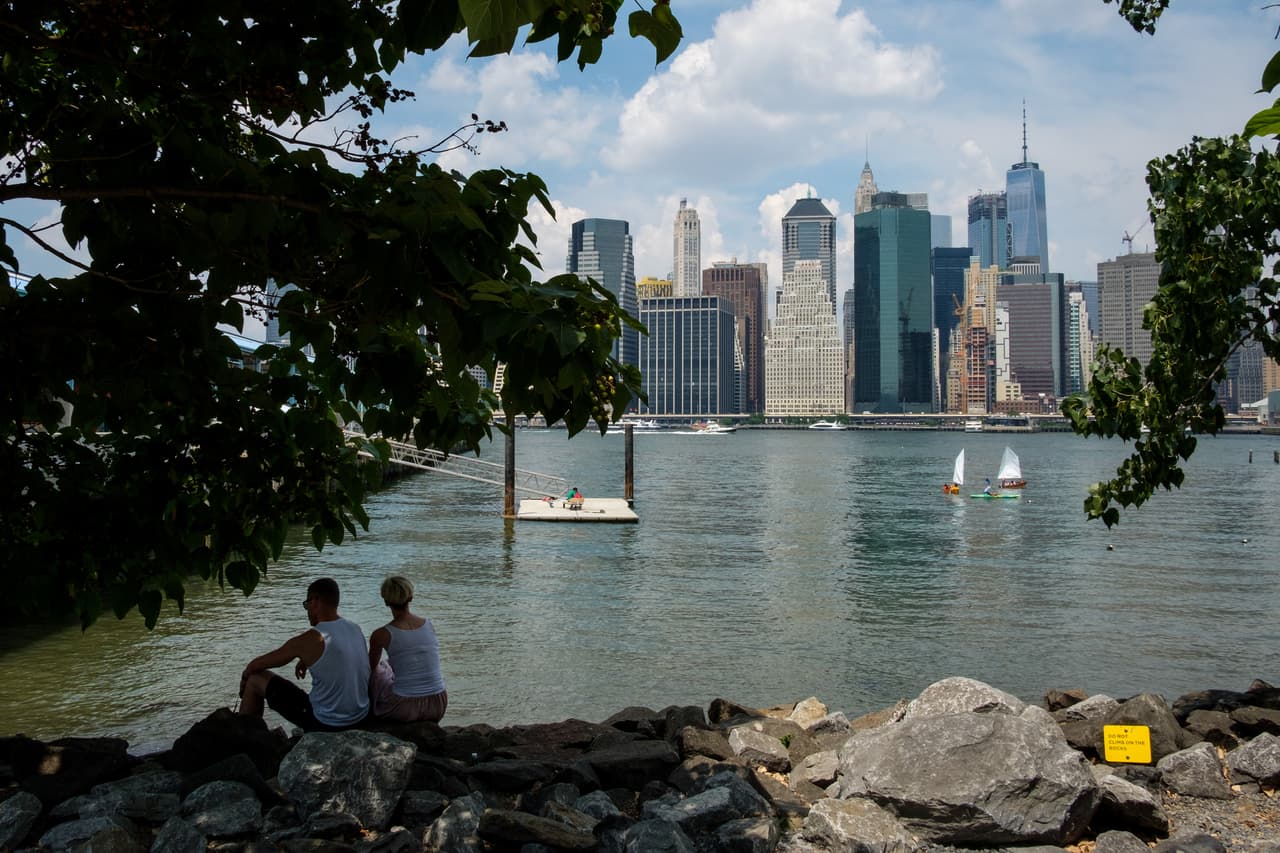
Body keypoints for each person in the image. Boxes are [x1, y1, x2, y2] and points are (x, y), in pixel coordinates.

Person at [238, 577, 371, 731]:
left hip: (326, 723)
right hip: (360, 716)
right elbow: (345, 661)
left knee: (255, 678)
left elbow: (256, 665)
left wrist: (244, 678)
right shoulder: (354, 628)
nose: (307, 609)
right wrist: (307, 659)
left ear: (315, 602)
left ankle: (246, 738)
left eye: (306, 604)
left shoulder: (312, 638)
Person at [368, 575, 448, 723]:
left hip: (404, 707)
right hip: (438, 702)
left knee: (380, 668)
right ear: (410, 597)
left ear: (385, 601)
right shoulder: (429, 625)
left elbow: (369, 668)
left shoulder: (381, 634)